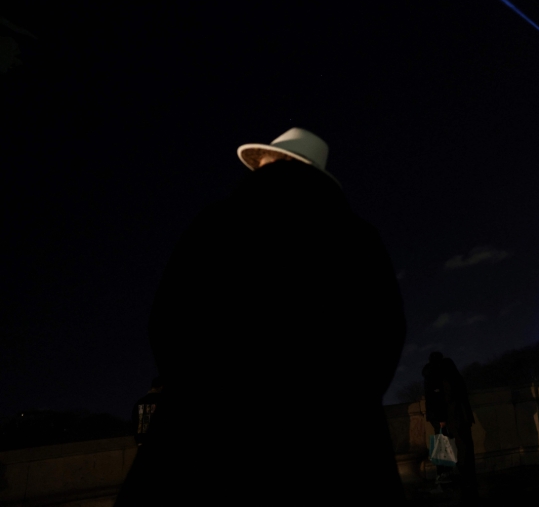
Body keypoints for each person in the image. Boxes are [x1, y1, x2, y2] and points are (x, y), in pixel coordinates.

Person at [115, 127, 407, 505]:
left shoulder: (217, 221)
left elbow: (170, 318)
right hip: (337, 435)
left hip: (210, 428)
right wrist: (347, 401)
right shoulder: (360, 236)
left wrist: (201, 388)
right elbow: (385, 332)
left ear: (270, 161)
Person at [422, 352, 476, 501]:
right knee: (462, 447)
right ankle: (465, 479)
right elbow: (451, 394)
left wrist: (440, 418)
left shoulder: (433, 373)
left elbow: (439, 396)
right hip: (457, 415)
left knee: (444, 449)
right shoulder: (448, 369)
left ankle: (448, 481)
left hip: (449, 416)